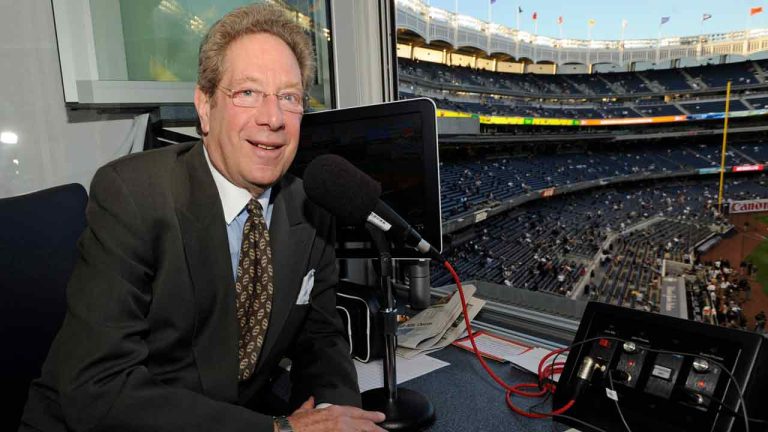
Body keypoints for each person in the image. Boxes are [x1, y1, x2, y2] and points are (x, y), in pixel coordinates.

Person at [20, 4, 385, 432]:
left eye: (289, 97)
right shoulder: (133, 196)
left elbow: (320, 342)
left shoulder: (312, 207)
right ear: (205, 107)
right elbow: (100, 389)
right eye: (248, 93)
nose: (272, 118)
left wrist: (334, 417)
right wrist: (281, 431)